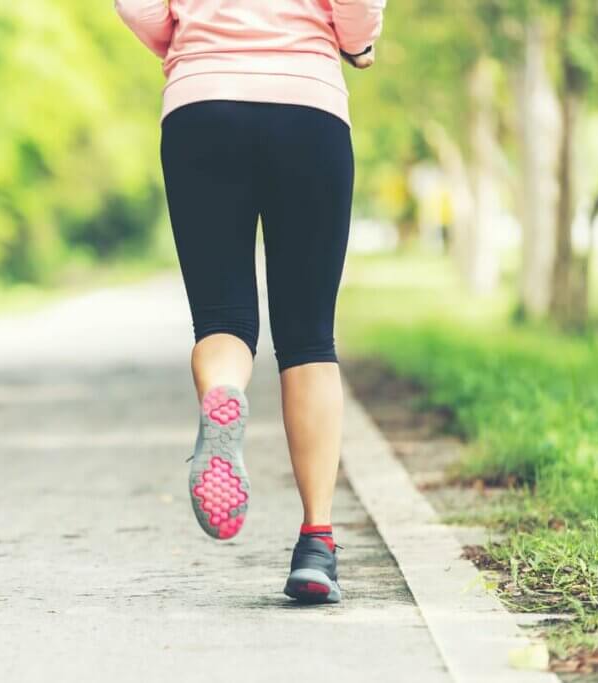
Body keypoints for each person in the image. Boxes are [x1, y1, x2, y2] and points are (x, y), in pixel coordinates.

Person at [114, 0, 386, 604]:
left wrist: (188, 40)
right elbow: (359, 7)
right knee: (309, 338)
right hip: (307, 108)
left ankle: (225, 395)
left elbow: (137, 5)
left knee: (223, 318)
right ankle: (316, 543)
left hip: (201, 107)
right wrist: (359, 44)